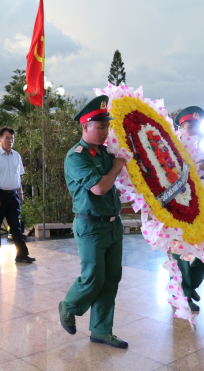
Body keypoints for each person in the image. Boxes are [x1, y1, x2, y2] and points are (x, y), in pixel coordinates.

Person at [58, 95, 128, 349]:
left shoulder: (106, 153)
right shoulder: (76, 157)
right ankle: (69, 305)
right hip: (90, 226)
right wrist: (117, 167)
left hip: (113, 225)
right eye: (100, 127)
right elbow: (99, 188)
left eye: (107, 126)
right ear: (85, 126)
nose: (105, 131)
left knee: (111, 278)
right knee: (93, 278)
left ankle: (101, 330)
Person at [173, 106, 204, 311]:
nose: (194, 130)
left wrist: (195, 162)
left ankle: (187, 288)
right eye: (190, 126)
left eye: (197, 127)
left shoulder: (201, 148)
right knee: (180, 253)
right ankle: (183, 295)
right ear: (181, 128)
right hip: (176, 208)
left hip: (200, 206)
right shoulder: (171, 147)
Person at [0, 127, 33, 263]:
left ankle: (21, 254)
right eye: (7, 138)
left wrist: (20, 192)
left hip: (13, 195)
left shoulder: (17, 156)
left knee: (15, 225)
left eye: (12, 138)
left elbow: (18, 176)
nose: (10, 141)